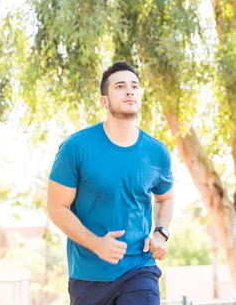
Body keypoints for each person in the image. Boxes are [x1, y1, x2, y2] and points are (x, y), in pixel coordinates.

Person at [47, 60, 174, 304]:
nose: (129, 90)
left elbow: (165, 198)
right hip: (88, 276)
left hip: (139, 268)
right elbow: (57, 208)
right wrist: (97, 245)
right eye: (120, 86)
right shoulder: (76, 147)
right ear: (104, 100)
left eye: (135, 86)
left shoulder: (157, 152)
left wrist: (161, 233)